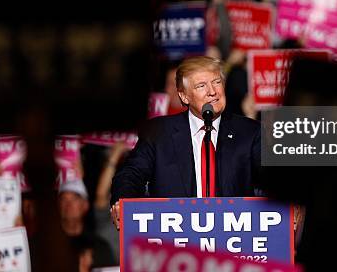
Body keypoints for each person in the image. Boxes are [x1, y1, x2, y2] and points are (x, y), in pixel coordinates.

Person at [110, 56, 261, 228]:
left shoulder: (250, 132)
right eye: (201, 86)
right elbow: (130, 174)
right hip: (176, 242)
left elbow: (277, 177)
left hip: (234, 239)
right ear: (184, 96)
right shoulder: (159, 132)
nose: (212, 91)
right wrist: (122, 201)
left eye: (216, 82)